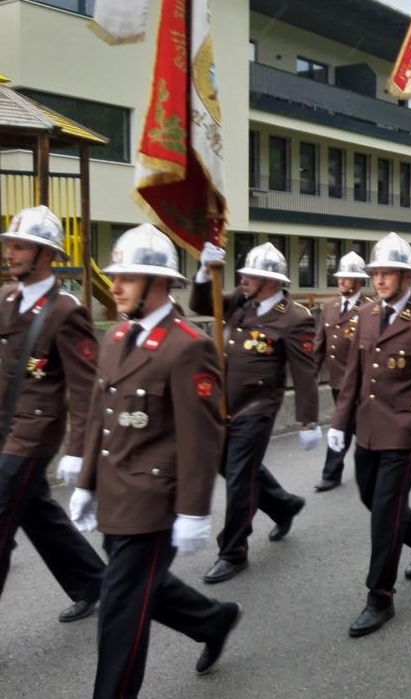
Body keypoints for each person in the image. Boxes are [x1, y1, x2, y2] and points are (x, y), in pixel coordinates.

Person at [70, 224, 241, 699]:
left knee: (120, 608)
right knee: (140, 586)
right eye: (116, 275)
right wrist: (85, 482)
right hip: (116, 493)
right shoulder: (116, 336)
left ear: (158, 282)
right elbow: (100, 420)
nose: (115, 285)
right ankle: (212, 619)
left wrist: (192, 511)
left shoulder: (187, 346)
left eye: (127, 276)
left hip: (155, 502)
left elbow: (202, 438)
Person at [327, 232, 411, 637]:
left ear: (406, 277)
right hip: (366, 426)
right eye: (375, 272)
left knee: (384, 513)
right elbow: (353, 377)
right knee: (369, 495)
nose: (379, 279)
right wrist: (338, 423)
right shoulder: (365, 314)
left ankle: (379, 596)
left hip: (403, 430)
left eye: (388, 273)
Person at [191, 242, 320, 584]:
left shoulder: (295, 318)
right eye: (244, 274)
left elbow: (305, 373)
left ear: (272, 281)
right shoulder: (239, 301)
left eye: (252, 275)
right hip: (224, 404)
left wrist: (307, 420)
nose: (243, 279)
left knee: (238, 478)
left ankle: (232, 551)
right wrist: (204, 272)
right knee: (231, 467)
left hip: (258, 408)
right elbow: (202, 303)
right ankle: (282, 505)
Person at [0, 205, 105, 622]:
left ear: (46, 255)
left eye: (21, 247)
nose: (10, 254)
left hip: (34, 433)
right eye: (10, 246)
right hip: (4, 426)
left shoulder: (66, 312)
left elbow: (86, 390)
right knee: (38, 513)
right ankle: (93, 582)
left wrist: (78, 452)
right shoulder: (5, 298)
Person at [312, 251, 370, 492]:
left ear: (358, 281)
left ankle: (333, 473)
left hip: (361, 384)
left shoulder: (369, 309)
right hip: (338, 381)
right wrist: (309, 378)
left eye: (347, 278)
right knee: (347, 426)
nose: (341, 282)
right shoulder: (329, 307)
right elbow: (319, 345)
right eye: (340, 277)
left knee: (348, 425)